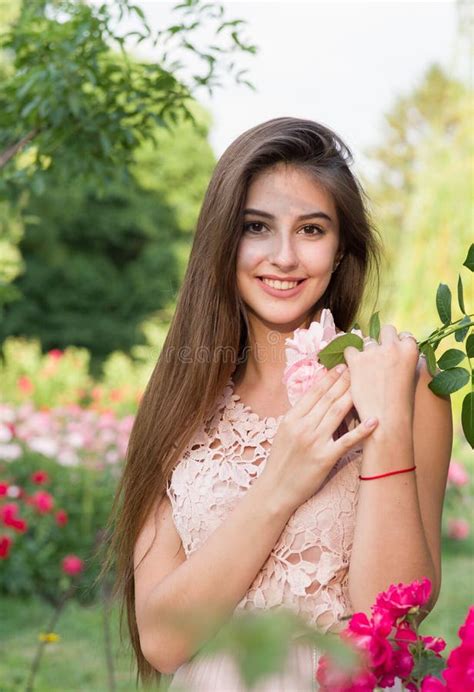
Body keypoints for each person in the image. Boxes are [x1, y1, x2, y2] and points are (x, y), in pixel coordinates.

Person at [102, 117, 453, 690]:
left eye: (312, 230)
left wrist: (386, 424)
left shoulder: (407, 384)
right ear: (223, 241)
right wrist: (283, 479)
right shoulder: (180, 404)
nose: (285, 256)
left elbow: (394, 627)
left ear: (341, 250)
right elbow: (164, 641)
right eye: (257, 227)